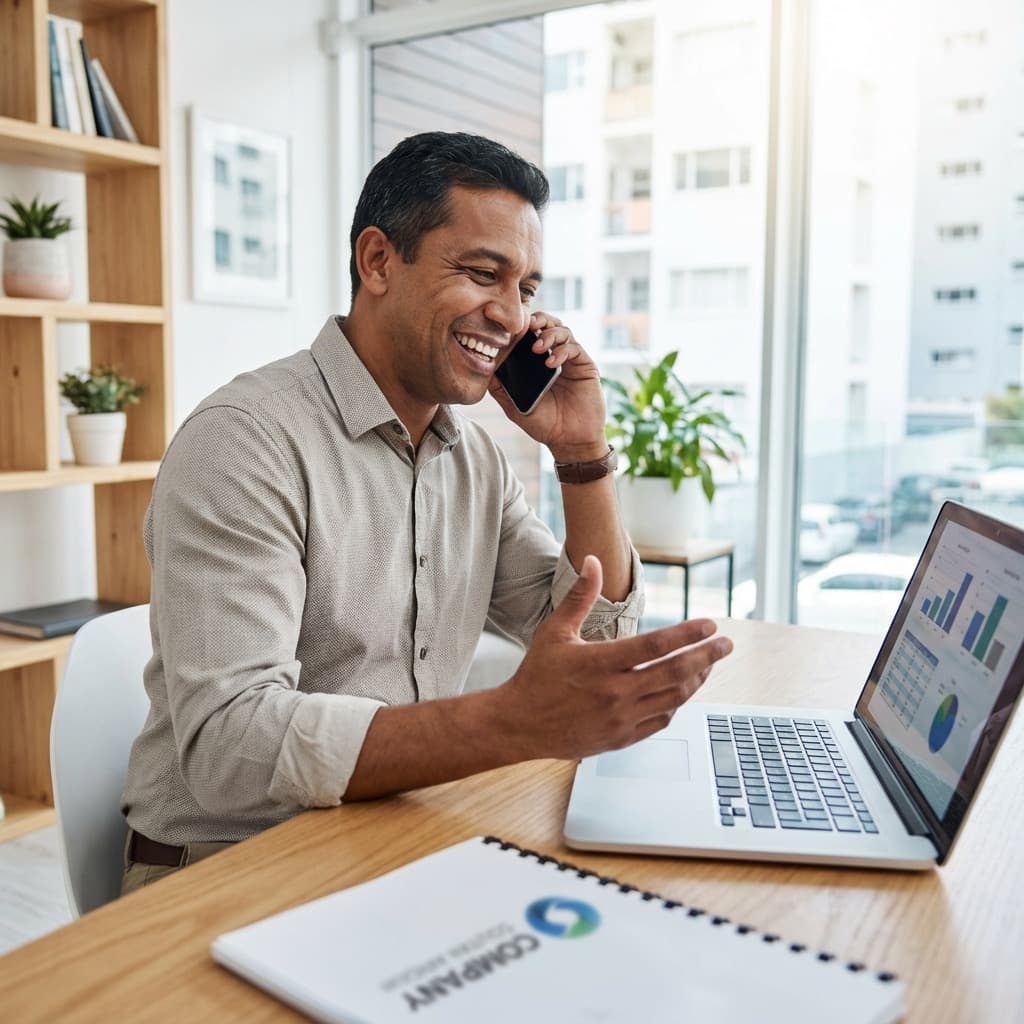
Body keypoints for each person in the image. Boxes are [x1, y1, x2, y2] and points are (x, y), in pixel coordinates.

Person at [120, 131, 733, 894]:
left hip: (387, 836)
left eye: (527, 289)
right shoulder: (245, 442)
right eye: (482, 274)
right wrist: (507, 722)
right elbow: (230, 750)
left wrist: (582, 452)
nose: (511, 316)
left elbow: (591, 639)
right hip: (223, 871)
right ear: (378, 261)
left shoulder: (473, 462)